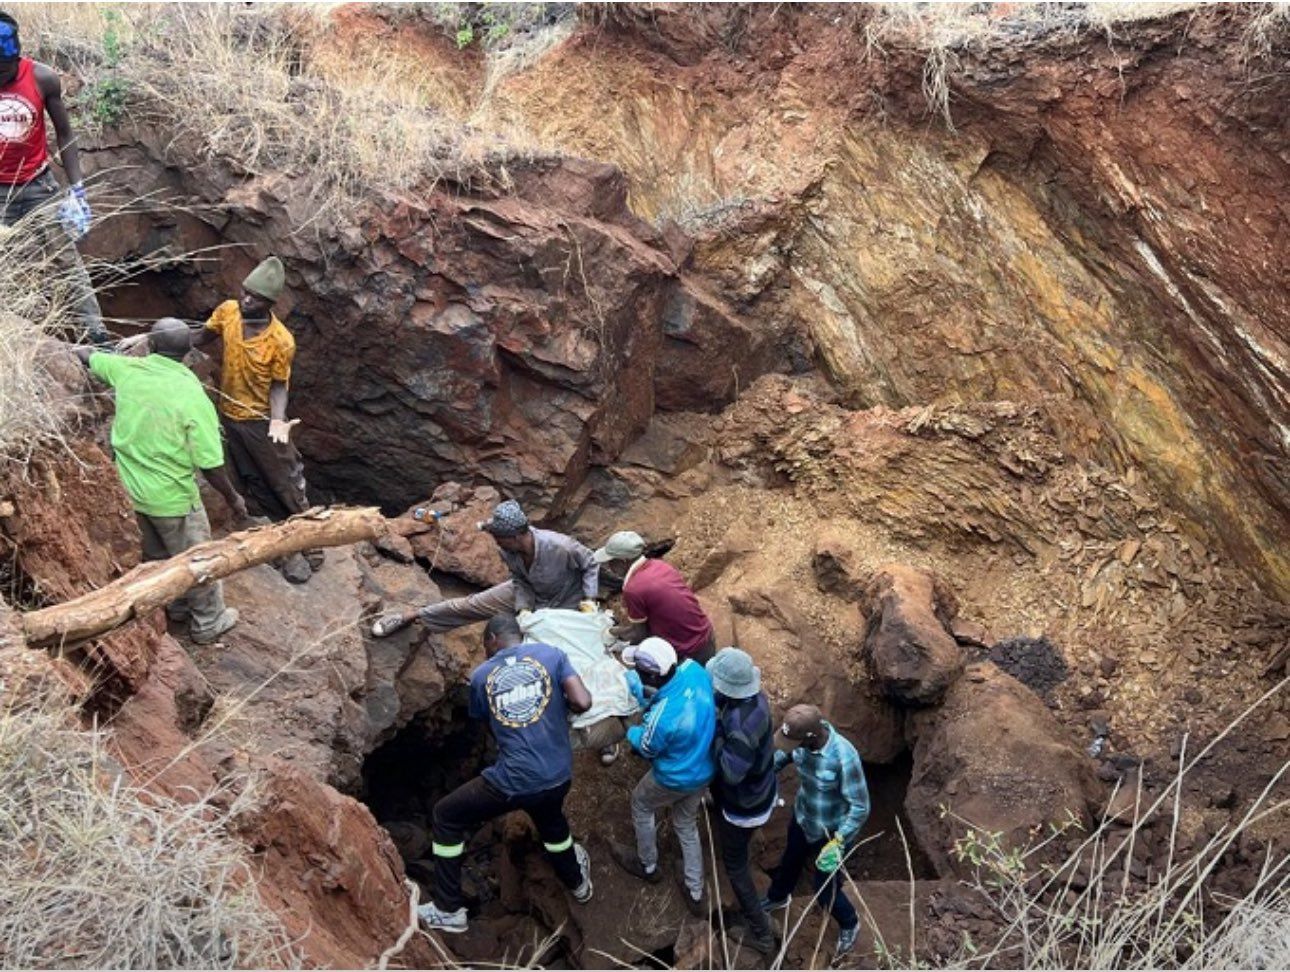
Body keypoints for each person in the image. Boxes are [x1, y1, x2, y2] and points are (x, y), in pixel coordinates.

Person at [418, 614, 595, 934]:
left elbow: (485, 721)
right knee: (551, 820)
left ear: (492, 640)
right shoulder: (552, 655)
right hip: (558, 773)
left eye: (485, 646)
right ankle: (577, 882)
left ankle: (448, 909)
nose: (485, 653)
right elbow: (582, 701)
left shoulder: (482, 675)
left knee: (445, 815)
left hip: (513, 780)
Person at [75, 319, 246, 643]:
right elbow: (210, 464)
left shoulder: (126, 370)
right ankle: (208, 622)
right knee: (200, 561)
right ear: (188, 353)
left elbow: (88, 356)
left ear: (150, 346)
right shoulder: (192, 395)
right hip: (174, 499)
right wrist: (233, 498)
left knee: (156, 559)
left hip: (131, 492)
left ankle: (176, 609)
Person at [194, 256, 321, 581]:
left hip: (261, 420)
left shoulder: (280, 340)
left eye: (255, 298)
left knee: (286, 479)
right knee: (251, 478)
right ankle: (278, 536)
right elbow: (201, 337)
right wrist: (163, 341)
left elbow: (279, 385)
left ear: (269, 304)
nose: (245, 300)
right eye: (245, 292)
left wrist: (277, 421)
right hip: (229, 416)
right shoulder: (227, 312)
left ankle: (311, 537)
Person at [0, 12, 107, 342]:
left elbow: (65, 133)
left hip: (37, 184)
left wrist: (77, 189)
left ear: (16, 56)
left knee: (66, 260)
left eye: (3, 68)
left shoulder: (42, 78)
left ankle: (97, 334)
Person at [371, 499, 599, 638]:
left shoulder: (560, 546)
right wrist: (523, 608)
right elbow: (520, 580)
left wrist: (589, 599)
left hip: (566, 601)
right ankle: (412, 616)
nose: (496, 542)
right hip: (528, 592)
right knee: (471, 604)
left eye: (500, 537)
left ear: (518, 535)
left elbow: (590, 563)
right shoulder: (508, 550)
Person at [611, 637, 716, 917]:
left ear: (652, 675)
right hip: (704, 767)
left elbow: (646, 747)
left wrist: (629, 728)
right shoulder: (695, 669)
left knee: (641, 804)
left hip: (675, 776)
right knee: (685, 822)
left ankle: (647, 864)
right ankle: (695, 891)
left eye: (641, 673)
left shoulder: (664, 718)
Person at [761, 704, 870, 958]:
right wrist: (764, 773)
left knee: (824, 886)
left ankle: (849, 923)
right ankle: (778, 896)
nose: (790, 746)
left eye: (793, 742)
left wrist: (839, 841)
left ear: (811, 737)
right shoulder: (802, 745)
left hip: (833, 832)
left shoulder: (844, 757)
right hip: (804, 817)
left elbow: (860, 807)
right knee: (790, 860)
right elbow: (783, 757)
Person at [707, 648, 778, 956]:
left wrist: (715, 736)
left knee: (736, 867)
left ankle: (761, 932)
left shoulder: (738, 727)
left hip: (744, 804)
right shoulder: (757, 700)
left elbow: (730, 773)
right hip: (762, 788)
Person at [594, 530, 716, 665]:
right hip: (705, 635)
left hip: (688, 651)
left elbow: (640, 635)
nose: (609, 567)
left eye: (611, 561)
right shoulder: (660, 565)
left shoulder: (634, 588)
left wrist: (612, 632)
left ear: (623, 561)